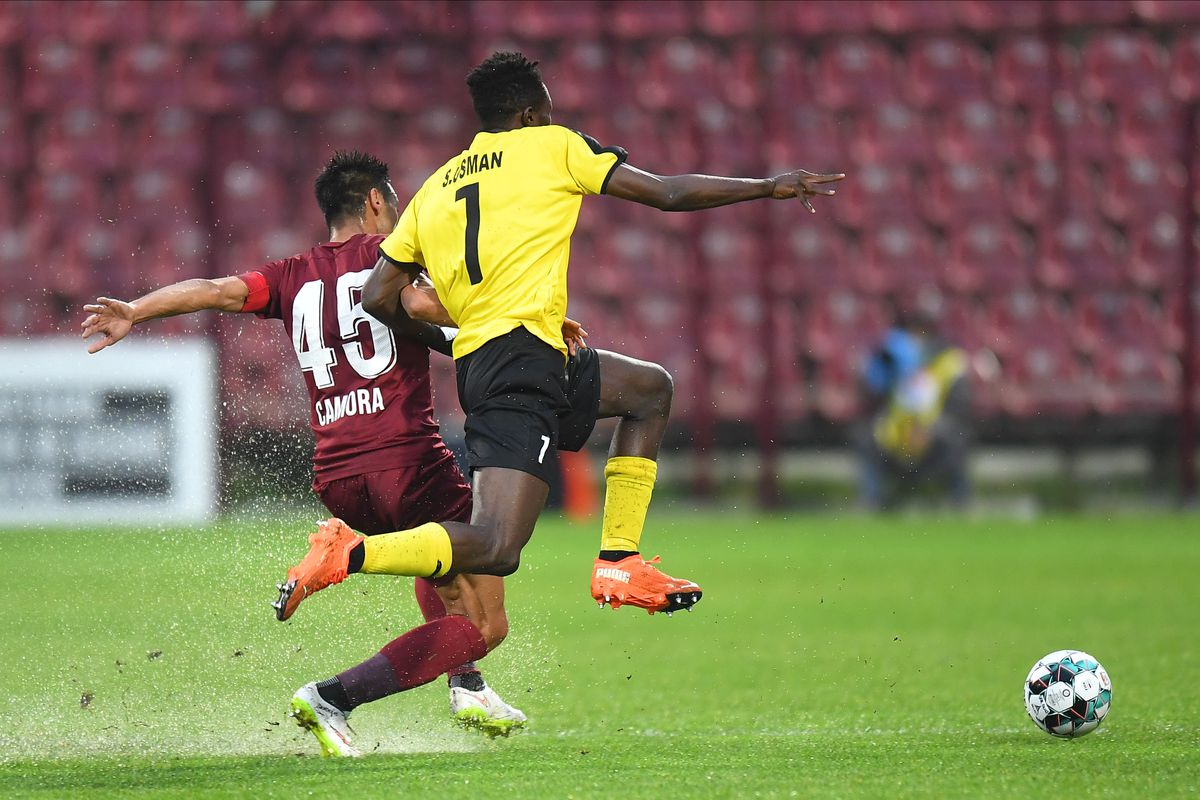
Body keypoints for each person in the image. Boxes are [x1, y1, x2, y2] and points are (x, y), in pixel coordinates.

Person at [275, 51, 841, 750]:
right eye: (545, 107)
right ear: (531, 113)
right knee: (496, 547)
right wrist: (767, 186)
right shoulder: (555, 144)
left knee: (648, 389)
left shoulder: (436, 187)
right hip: (519, 364)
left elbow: (377, 298)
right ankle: (351, 555)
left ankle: (619, 560)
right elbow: (664, 192)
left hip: (512, 356)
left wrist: (458, 338)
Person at [79, 151, 585, 753]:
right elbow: (428, 307)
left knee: (438, 560)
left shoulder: (292, 274)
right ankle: (332, 697)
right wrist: (531, 321)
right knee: (484, 618)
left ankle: (467, 686)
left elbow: (215, 291)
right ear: (376, 200)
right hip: (407, 458)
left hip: (338, 477)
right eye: (394, 203)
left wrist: (135, 310)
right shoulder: (392, 259)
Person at [855, 312, 972, 510]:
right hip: (896, 431)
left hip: (935, 431)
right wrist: (882, 366)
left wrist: (931, 429)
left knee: (957, 438)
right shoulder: (892, 357)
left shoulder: (950, 361)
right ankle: (872, 502)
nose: (916, 339)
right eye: (912, 332)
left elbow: (960, 406)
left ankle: (961, 503)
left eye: (922, 333)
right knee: (866, 436)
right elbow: (871, 393)